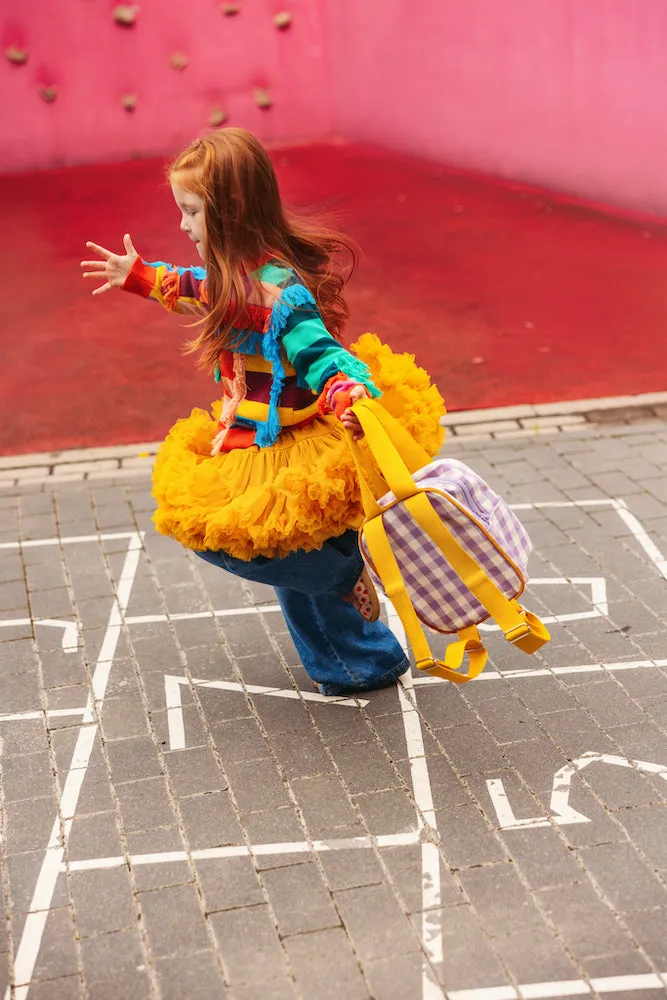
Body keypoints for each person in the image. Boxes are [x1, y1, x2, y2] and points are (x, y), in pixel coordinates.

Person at [80, 127, 445, 696]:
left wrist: (348, 393)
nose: (182, 225)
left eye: (192, 212)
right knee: (285, 555)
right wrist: (139, 276)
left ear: (231, 212)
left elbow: (321, 353)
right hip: (254, 435)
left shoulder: (280, 291)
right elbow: (195, 285)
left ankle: (347, 570)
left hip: (291, 440)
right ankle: (357, 664)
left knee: (233, 538)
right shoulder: (231, 275)